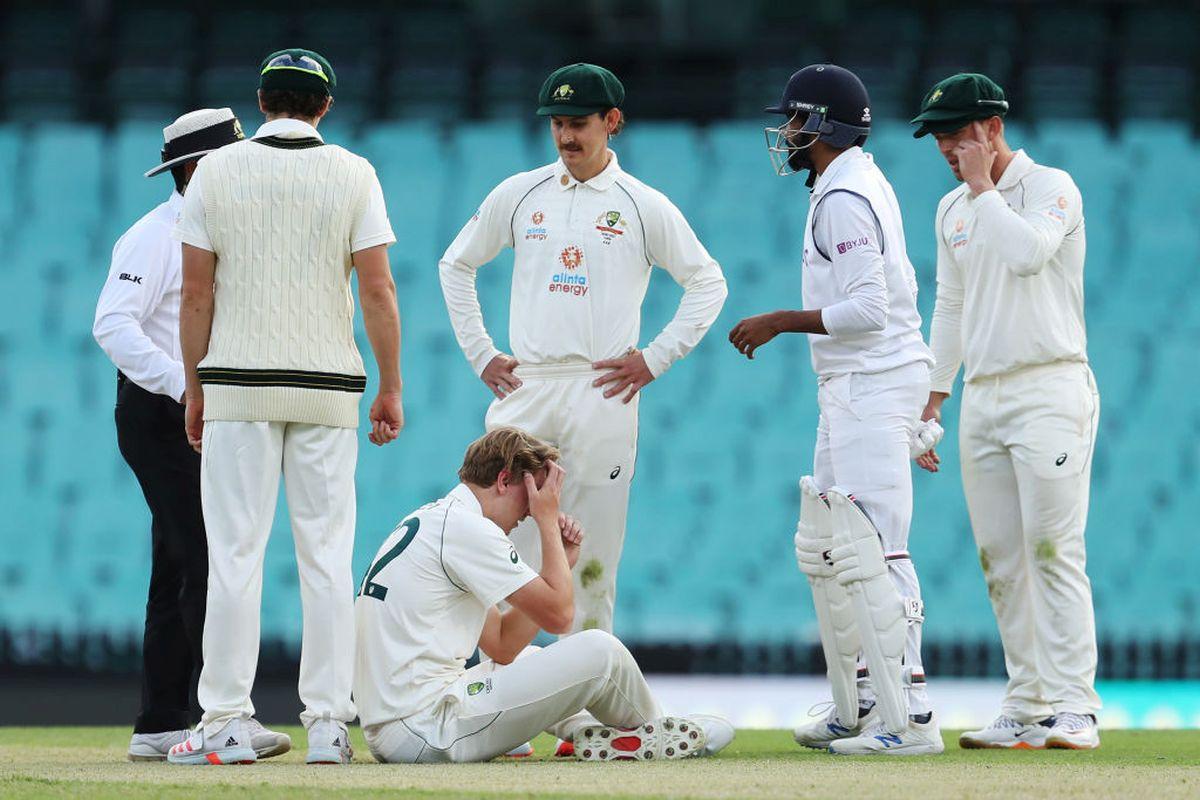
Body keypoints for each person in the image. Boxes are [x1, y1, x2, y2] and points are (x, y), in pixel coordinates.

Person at [438, 63, 728, 649]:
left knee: (593, 549)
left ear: (612, 121)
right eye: (558, 125)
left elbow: (709, 282)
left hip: (602, 390)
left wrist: (655, 358)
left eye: (579, 124)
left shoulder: (642, 204)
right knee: (498, 544)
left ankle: (588, 701)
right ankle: (500, 694)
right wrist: (481, 354)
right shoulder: (521, 193)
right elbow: (456, 263)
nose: (567, 137)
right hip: (528, 387)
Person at [168, 49, 404, 765]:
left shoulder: (215, 170)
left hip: (238, 387)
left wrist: (196, 385)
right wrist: (391, 384)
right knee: (328, 558)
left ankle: (226, 721)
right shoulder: (354, 172)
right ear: (324, 106)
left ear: (262, 101)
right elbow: (378, 290)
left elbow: (197, 294)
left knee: (235, 555)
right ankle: (329, 724)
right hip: (327, 390)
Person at [728, 63, 944, 755]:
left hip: (872, 382)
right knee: (830, 547)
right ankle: (859, 701)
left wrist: (780, 321)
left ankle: (908, 715)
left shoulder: (845, 196)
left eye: (795, 120)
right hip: (855, 385)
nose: (786, 132)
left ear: (823, 125)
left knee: (877, 548)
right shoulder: (844, 183)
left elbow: (870, 310)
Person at [911, 73, 1100, 750]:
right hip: (985, 396)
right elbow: (953, 305)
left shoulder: (1052, 187)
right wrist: (934, 395)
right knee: (1000, 559)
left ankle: (1077, 707)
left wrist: (985, 189)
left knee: (1053, 549)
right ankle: (1028, 706)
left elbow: (1028, 255)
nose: (945, 148)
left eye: (956, 133)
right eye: (937, 136)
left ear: (992, 127)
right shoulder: (950, 211)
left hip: (1049, 386)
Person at [94, 108, 290, 763]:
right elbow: (113, 324)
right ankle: (220, 718)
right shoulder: (154, 235)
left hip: (193, 412)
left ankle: (160, 721)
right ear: (194, 169)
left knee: (178, 564)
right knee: (208, 555)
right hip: (159, 415)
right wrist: (183, 385)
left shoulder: (215, 229)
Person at [353, 427, 734, 763]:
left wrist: (561, 564)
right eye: (533, 493)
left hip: (399, 727)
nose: (530, 511)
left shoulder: (440, 520)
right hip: (425, 726)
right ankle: (661, 732)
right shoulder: (469, 529)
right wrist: (548, 522)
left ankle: (597, 733)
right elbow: (559, 616)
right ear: (504, 480)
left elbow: (503, 645)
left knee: (527, 657)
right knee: (602, 651)